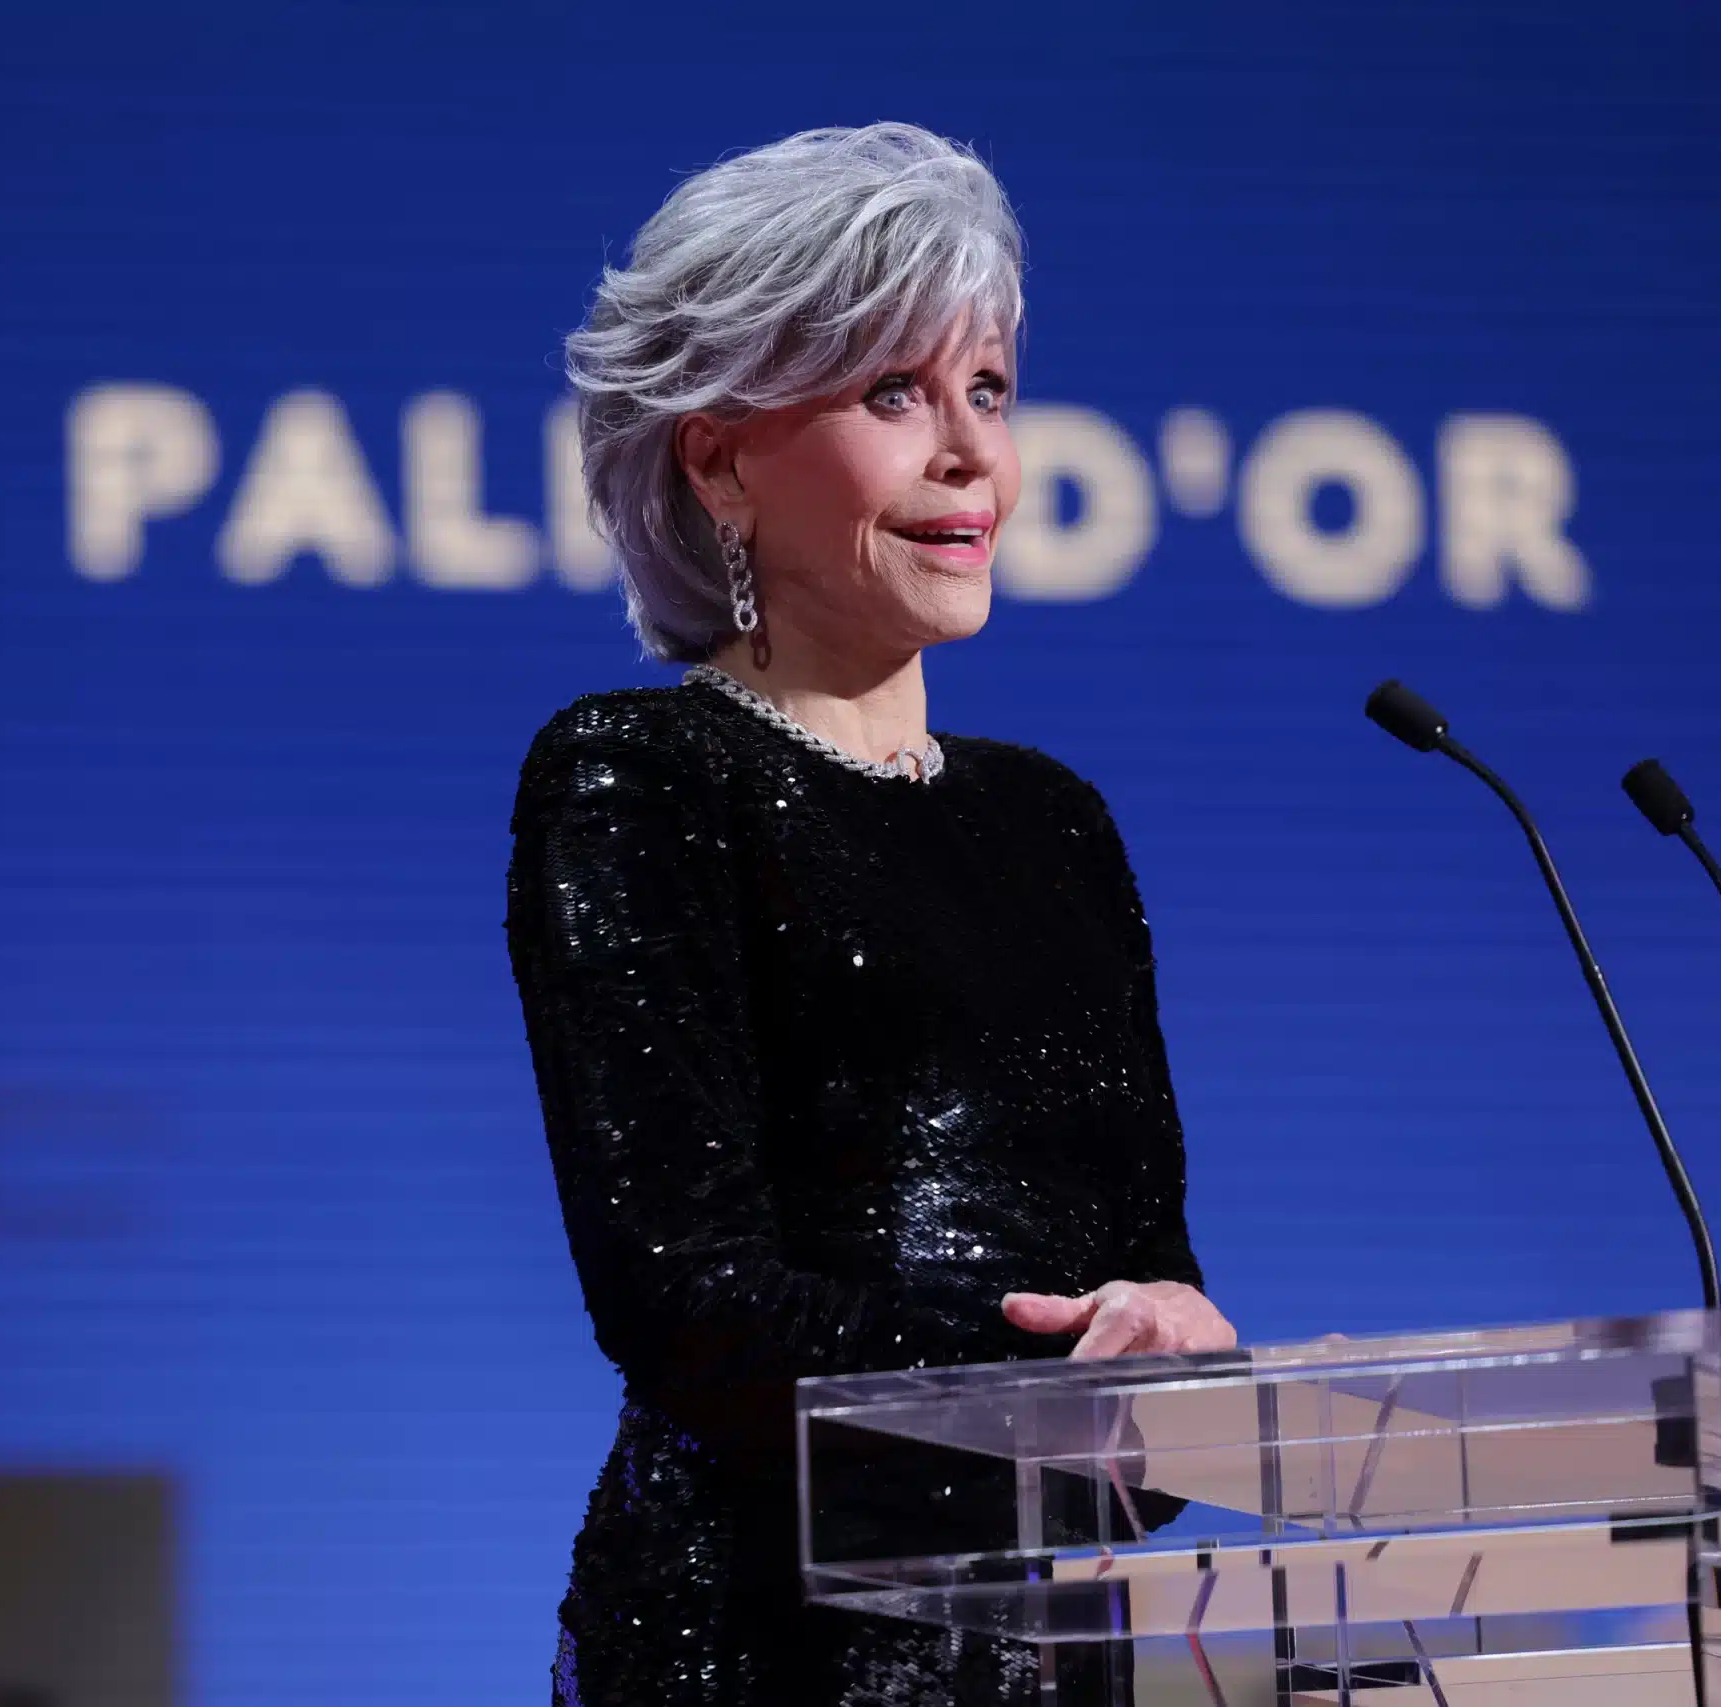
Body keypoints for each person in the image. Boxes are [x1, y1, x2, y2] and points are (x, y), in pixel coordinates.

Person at [503, 122, 1234, 1707]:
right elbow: (685, 1299)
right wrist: (1043, 1377)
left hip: (1047, 1646)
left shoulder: (1054, 823)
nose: (967, 452)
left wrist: (1168, 1342)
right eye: (892, 394)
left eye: (989, 392)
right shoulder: (637, 776)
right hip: (762, 1648)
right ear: (716, 457)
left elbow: (1140, 1267)